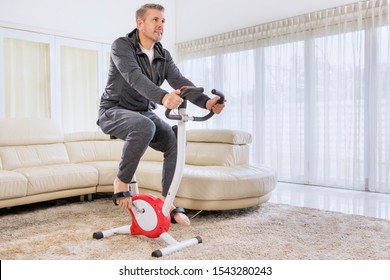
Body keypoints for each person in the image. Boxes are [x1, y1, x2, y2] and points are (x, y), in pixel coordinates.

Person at [97, 3, 225, 226]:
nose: (160, 25)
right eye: (155, 20)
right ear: (140, 23)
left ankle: (167, 204)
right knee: (145, 126)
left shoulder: (162, 55)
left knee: (174, 139)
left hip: (143, 112)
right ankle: (121, 181)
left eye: (163, 21)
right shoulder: (122, 46)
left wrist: (206, 102)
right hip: (113, 110)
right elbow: (134, 77)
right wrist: (164, 97)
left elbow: (180, 82)